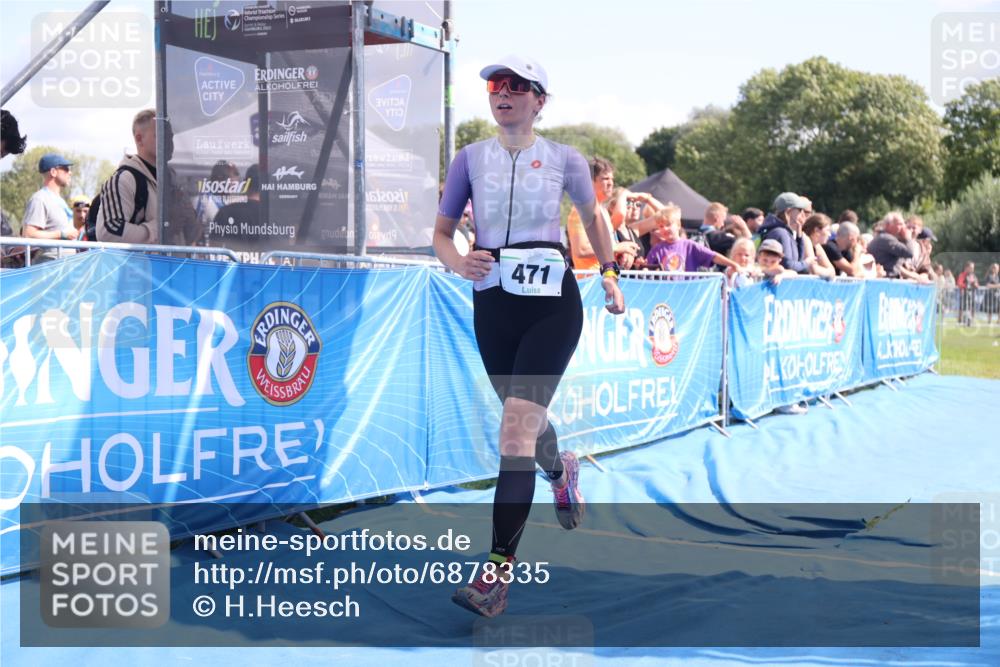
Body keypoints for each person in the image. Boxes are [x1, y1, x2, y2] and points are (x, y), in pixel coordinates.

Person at [433, 55, 625, 618]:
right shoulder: (468, 159)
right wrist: (456, 262)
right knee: (526, 428)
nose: (505, 93)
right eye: (497, 85)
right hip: (493, 304)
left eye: (518, 86)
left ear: (540, 100)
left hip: (550, 307)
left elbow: (594, 220)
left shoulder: (565, 159)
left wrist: (610, 275)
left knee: (514, 433)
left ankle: (495, 577)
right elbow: (442, 235)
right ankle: (560, 469)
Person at [95, 108, 159, 244]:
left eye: (170, 135)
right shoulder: (125, 179)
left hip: (173, 265)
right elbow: (108, 231)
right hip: (140, 265)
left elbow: (192, 234)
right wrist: (161, 228)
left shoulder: (174, 181)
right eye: (160, 134)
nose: (169, 140)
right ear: (139, 139)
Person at [644, 204, 742, 273]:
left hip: (688, 294)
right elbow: (647, 268)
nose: (665, 229)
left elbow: (713, 256)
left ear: (678, 225)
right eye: (661, 226)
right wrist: (642, 266)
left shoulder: (689, 245)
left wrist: (733, 265)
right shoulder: (657, 249)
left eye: (668, 224)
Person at [21, 153, 76, 262]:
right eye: (65, 169)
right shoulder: (40, 199)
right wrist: (61, 234)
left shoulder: (59, 200)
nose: (70, 172)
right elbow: (28, 234)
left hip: (63, 268)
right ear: (53, 172)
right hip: (48, 270)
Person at [757, 192, 813, 274]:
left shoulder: (784, 231)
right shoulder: (780, 232)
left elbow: (798, 260)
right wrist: (807, 262)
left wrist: (799, 236)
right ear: (788, 211)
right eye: (800, 210)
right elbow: (789, 266)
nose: (802, 214)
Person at [868, 212, 925, 281]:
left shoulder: (886, 237)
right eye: (900, 224)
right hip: (887, 280)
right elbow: (909, 253)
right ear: (889, 225)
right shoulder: (887, 239)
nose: (904, 227)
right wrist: (908, 238)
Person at [801, 213, 836, 277]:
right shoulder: (805, 240)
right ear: (816, 230)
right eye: (827, 230)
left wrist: (827, 272)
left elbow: (832, 271)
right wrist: (828, 272)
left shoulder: (817, 246)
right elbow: (814, 270)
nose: (829, 234)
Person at [957, 261, 979, 326]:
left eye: (973, 268)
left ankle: (972, 321)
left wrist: (975, 284)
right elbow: (959, 283)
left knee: (972, 308)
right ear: (966, 267)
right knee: (962, 308)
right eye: (971, 268)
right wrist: (966, 285)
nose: (972, 269)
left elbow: (977, 285)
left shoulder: (973, 275)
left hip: (972, 294)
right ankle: (959, 321)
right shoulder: (962, 275)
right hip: (964, 294)